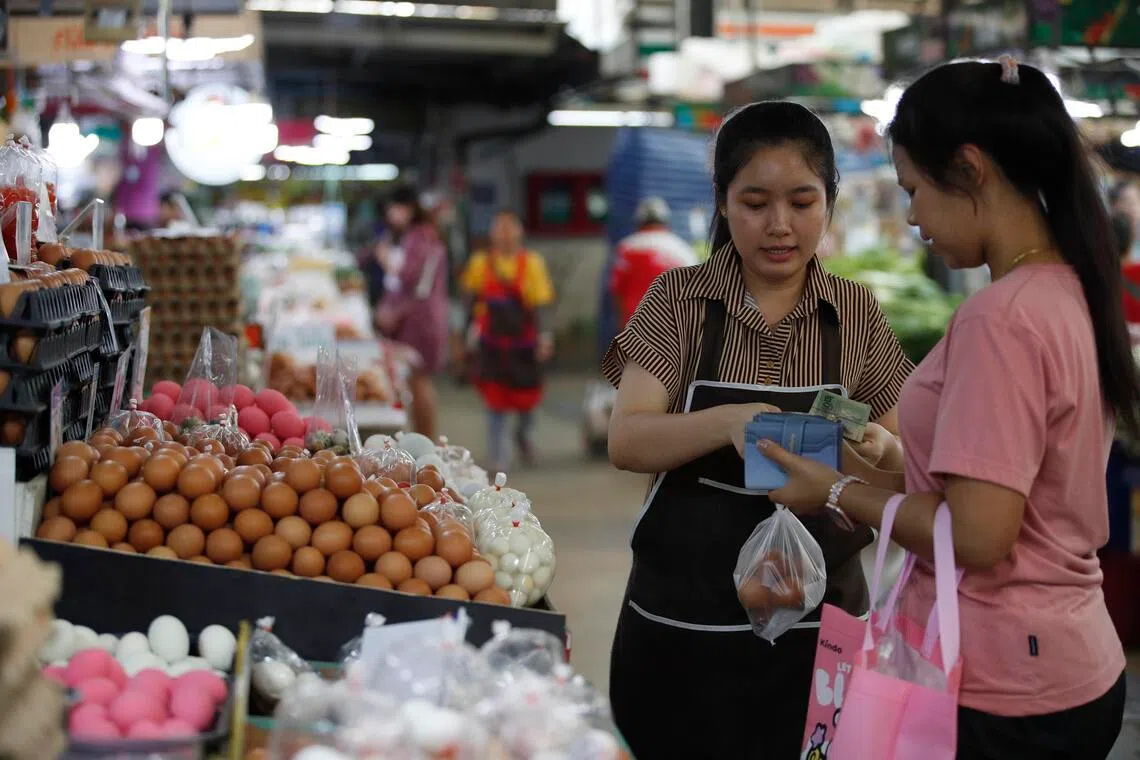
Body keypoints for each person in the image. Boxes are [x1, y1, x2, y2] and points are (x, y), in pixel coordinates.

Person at [758, 58, 1136, 760]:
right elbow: (1017, 483)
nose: (911, 216)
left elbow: (981, 536)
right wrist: (905, 460)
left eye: (914, 189)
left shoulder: (1002, 318)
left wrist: (837, 490)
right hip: (1067, 656)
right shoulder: (1066, 289)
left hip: (1005, 681)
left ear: (970, 169)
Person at [602, 101, 914, 758]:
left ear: (829, 200)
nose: (779, 226)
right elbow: (628, 440)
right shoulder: (679, 301)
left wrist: (884, 450)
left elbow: (903, 466)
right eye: (754, 202)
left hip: (817, 635)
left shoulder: (854, 313)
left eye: (802, 202)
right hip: (683, 629)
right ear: (720, 201)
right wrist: (725, 423)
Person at [460, 210, 555, 472]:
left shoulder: (532, 263)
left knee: (527, 402)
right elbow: (470, 301)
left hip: (524, 347)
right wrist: (466, 335)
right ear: (491, 232)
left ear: (520, 231)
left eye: (509, 226)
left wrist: (545, 337)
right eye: (498, 226)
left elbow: (542, 305)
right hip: (492, 346)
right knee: (495, 401)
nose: (504, 232)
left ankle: (524, 437)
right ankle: (497, 456)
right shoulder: (480, 263)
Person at [375, 184, 449, 439]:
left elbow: (411, 280)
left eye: (393, 209)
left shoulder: (420, 237)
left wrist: (386, 261)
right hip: (417, 318)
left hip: (418, 322)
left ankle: (425, 442)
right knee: (417, 381)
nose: (390, 215)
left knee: (419, 381)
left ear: (406, 208)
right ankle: (424, 441)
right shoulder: (420, 235)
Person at [610, 197, 699, 328]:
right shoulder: (683, 250)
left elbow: (617, 292)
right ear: (666, 221)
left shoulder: (626, 248)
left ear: (639, 221)